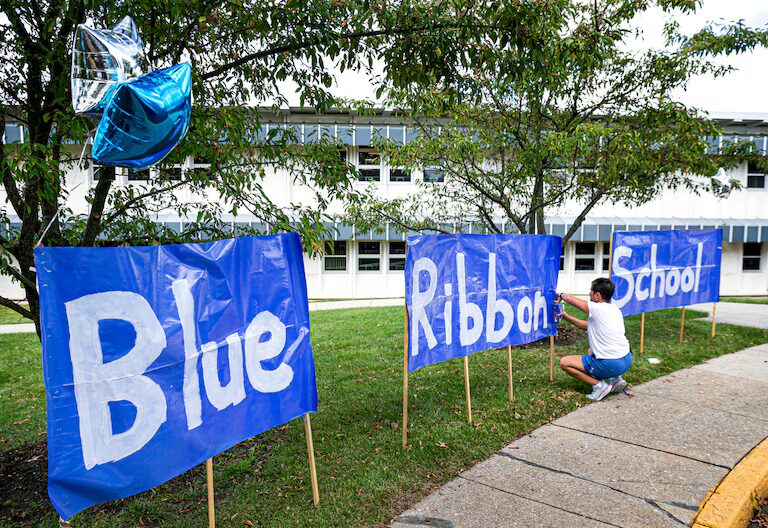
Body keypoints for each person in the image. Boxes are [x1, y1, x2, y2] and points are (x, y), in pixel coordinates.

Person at [556, 278, 632, 401]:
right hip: (626, 359)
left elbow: (570, 299)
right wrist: (567, 317)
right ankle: (617, 379)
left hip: (611, 364)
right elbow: (587, 325)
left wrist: (560, 295)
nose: (589, 294)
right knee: (590, 351)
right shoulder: (614, 309)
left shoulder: (598, 309)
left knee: (564, 362)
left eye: (591, 291)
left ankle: (599, 386)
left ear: (597, 295)